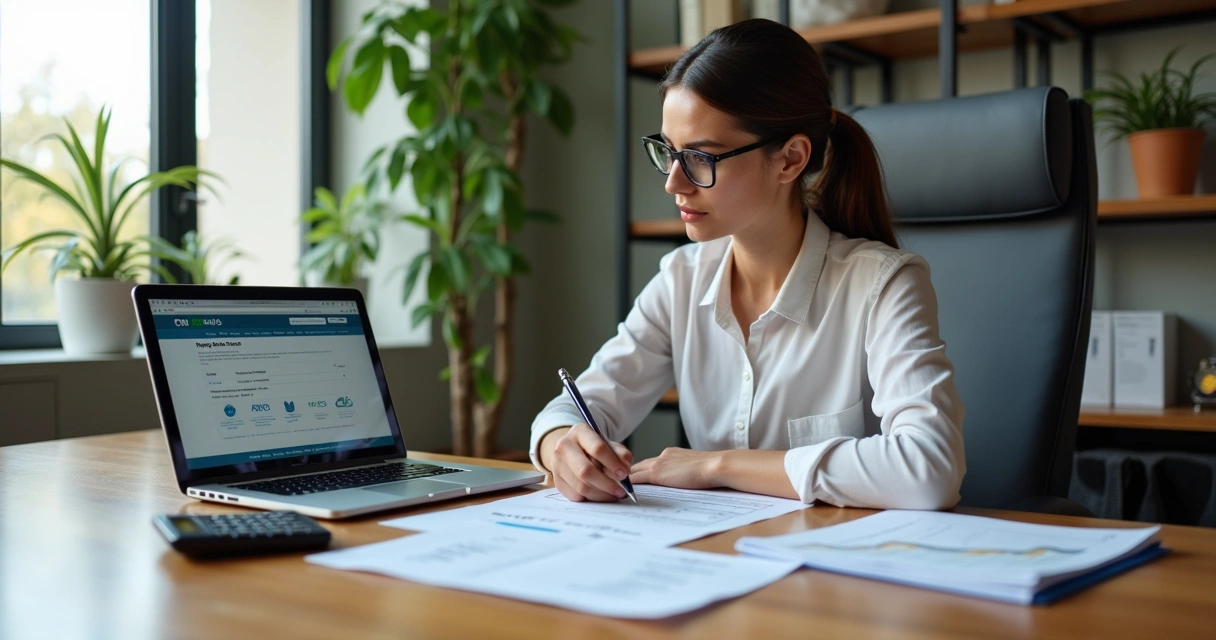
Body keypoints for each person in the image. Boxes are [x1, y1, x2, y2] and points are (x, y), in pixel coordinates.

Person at [529, 19, 965, 509]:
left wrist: (716, 465)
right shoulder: (681, 279)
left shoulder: (883, 285)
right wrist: (561, 445)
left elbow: (929, 468)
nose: (674, 183)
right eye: (669, 152)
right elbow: (576, 406)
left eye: (699, 157)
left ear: (790, 160)